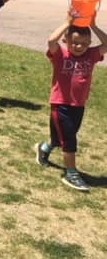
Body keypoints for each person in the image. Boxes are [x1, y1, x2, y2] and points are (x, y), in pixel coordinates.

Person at [35, 13, 107, 191]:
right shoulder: (61, 54)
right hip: (60, 105)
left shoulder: (91, 55)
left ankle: (43, 149)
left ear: (89, 43)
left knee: (60, 138)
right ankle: (71, 174)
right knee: (69, 140)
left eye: (83, 43)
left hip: (79, 105)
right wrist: (67, 23)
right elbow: (51, 41)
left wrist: (93, 25)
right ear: (66, 40)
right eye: (74, 42)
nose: (79, 46)